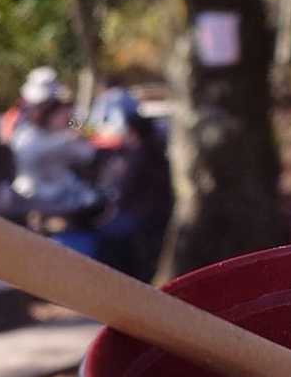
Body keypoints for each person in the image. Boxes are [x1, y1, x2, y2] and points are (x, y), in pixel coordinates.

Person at [95, 111, 173, 281]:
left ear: (133, 133)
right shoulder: (153, 153)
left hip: (141, 216)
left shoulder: (139, 158)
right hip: (153, 215)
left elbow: (124, 193)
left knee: (105, 235)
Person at [11, 99, 99, 215]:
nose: (67, 120)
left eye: (69, 117)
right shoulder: (29, 133)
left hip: (61, 191)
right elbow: (31, 152)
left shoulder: (65, 137)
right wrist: (66, 138)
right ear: (50, 115)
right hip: (30, 192)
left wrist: (79, 128)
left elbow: (87, 154)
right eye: (63, 116)